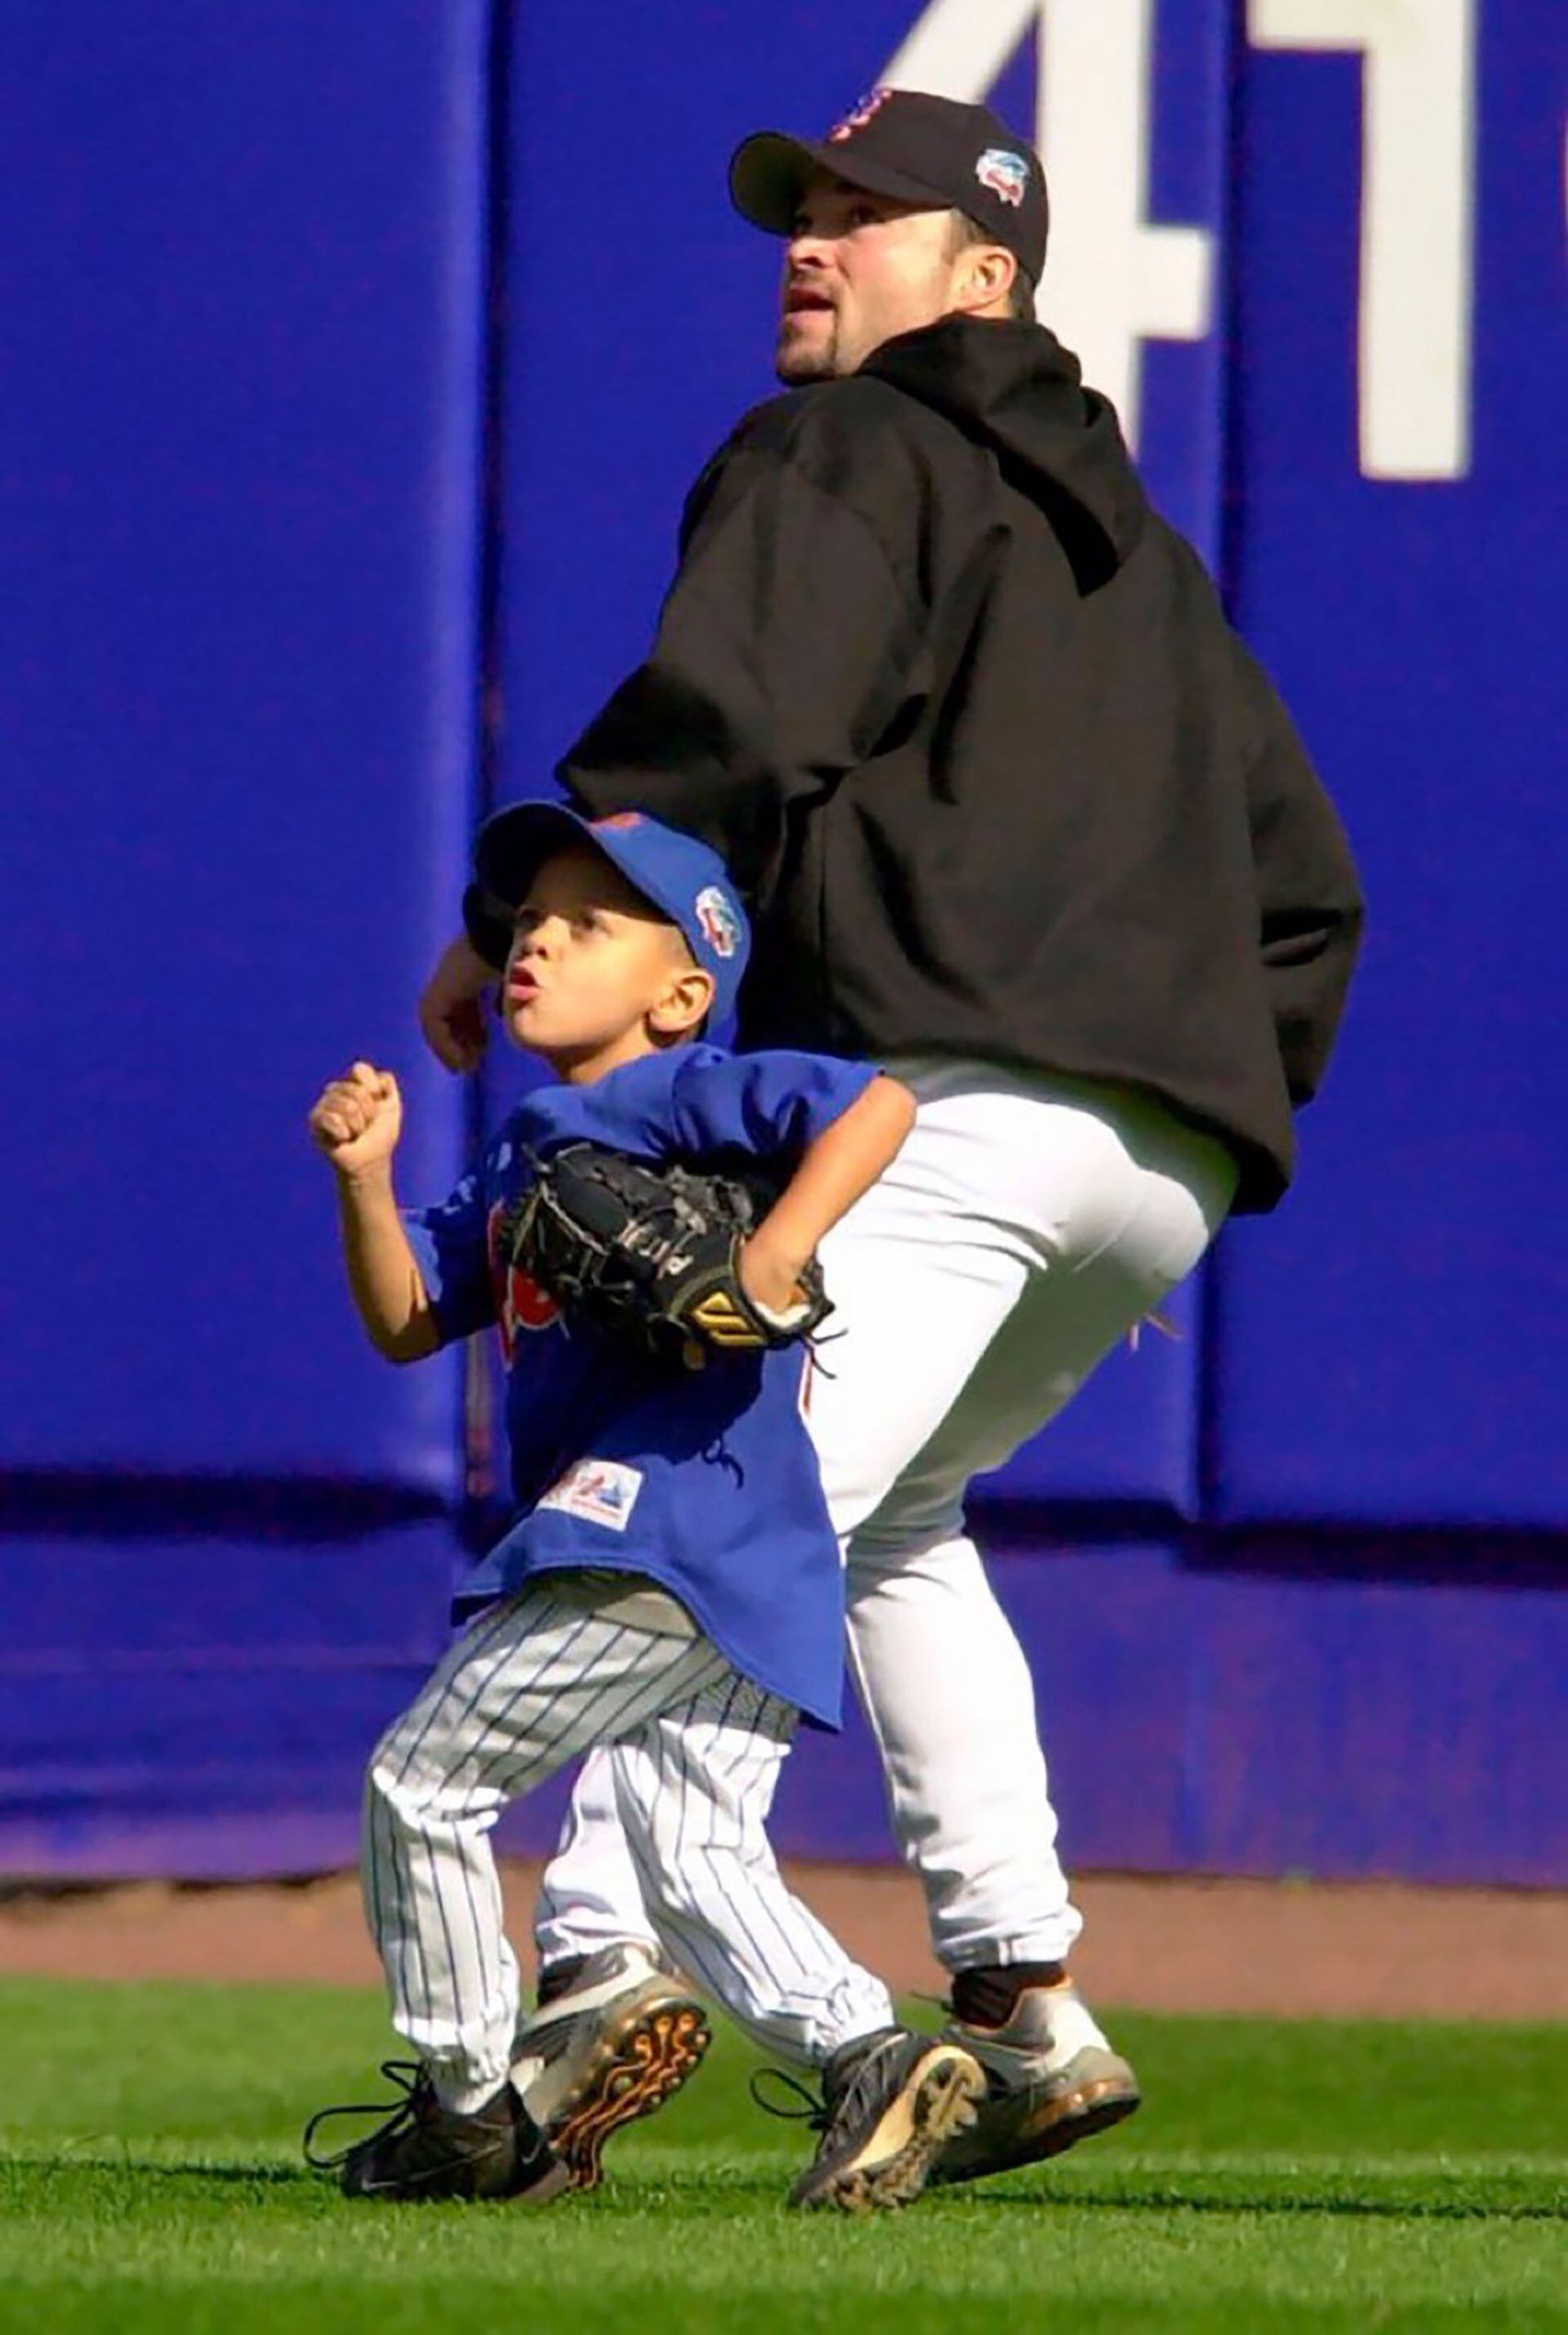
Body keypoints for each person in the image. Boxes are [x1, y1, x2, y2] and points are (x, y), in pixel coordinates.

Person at [421, 89, 1365, 2190]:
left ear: (987, 275)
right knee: (895, 1523)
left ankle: (592, 1965)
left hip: (930, 1122)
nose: (817, 242)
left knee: (703, 1522)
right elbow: (1308, 892)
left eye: (872, 216)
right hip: (1146, 1174)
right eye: (807, 210)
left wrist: (539, 920)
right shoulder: (1155, 568)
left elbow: (734, 714)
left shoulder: (847, 447)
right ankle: (1025, 1993)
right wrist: (1184, 1114)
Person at [304, 804, 988, 2213]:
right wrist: (367, 1181)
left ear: (681, 993)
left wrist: (781, 1253)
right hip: (752, 1552)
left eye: (590, 923)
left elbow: (878, 1104)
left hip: (655, 1527)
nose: (539, 939)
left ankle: (465, 2101)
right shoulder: (530, 1144)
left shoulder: (676, 1094)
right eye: (531, 920)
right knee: (688, 1850)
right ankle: (868, 2061)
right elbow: (410, 1317)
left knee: (422, 1783)